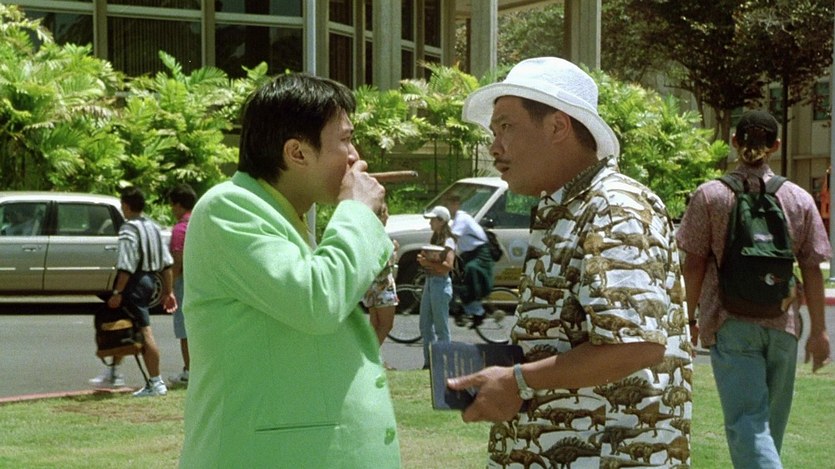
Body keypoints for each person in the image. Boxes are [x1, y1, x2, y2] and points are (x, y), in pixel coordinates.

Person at [446, 57, 692, 467]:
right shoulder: (569, 208)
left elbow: (635, 346)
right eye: (493, 131)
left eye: (506, 127)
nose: (494, 147)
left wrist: (518, 381)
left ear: (558, 127)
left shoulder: (613, 208)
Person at [179, 73, 401, 467]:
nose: (355, 156)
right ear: (297, 152)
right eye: (346, 140)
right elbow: (318, 300)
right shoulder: (228, 208)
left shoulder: (284, 217)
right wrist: (356, 214)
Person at [677, 110, 831, 468]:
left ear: (734, 142)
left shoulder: (711, 196)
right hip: (784, 325)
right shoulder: (798, 199)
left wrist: (687, 319)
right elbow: (812, 267)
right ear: (775, 146)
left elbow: (693, 264)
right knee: (767, 430)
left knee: (749, 425)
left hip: (731, 323)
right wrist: (819, 332)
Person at [90, 187, 177, 396]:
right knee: (124, 324)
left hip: (135, 282)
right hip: (150, 280)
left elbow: (126, 264)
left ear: (127, 206)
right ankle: (113, 372)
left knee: (144, 330)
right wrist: (168, 291)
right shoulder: (153, 227)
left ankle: (156, 382)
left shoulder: (128, 228)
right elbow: (167, 263)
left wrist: (118, 292)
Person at [417, 205, 456, 369]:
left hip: (440, 284)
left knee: (441, 328)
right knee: (425, 325)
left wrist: (428, 262)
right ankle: (429, 363)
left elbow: (448, 266)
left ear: (441, 221)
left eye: (433, 220)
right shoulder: (435, 239)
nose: (430, 223)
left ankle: (445, 364)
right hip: (430, 282)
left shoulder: (448, 241)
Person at [444, 194, 494, 326]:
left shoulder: (462, 218)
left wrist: (443, 252)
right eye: (446, 205)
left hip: (480, 252)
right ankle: (460, 308)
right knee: (455, 279)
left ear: (456, 205)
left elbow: (452, 238)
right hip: (468, 254)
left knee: (471, 272)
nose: (448, 208)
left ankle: (479, 312)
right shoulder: (454, 221)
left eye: (449, 205)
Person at [167, 183, 196, 386]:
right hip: (203, 280)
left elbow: (178, 261)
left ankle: (189, 371)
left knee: (184, 329)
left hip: (185, 283)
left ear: (178, 205)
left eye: (172, 205)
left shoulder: (180, 229)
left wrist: (169, 288)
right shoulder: (201, 222)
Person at [363, 203, 399, 347]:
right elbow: (384, 264)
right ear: (381, 216)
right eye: (386, 213)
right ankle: (370, 355)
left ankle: (369, 353)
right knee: (385, 325)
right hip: (382, 286)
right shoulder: (380, 236)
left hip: (370, 285)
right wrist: (394, 250)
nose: (388, 216)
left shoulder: (367, 234)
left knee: (375, 323)